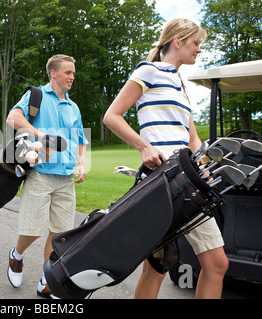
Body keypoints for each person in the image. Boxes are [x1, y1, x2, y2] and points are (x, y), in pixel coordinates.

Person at [103, 18, 229, 299]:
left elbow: (191, 137)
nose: (199, 50)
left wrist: (204, 167)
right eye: (195, 43)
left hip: (189, 182)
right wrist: (144, 146)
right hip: (161, 183)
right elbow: (112, 116)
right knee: (157, 269)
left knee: (217, 264)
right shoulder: (148, 71)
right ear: (178, 41)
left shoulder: (180, 85)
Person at [6, 54, 89, 298]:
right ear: (53, 73)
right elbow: (13, 118)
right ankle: (16, 255)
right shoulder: (37, 95)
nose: (72, 76)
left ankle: (47, 280)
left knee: (60, 235)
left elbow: (80, 139)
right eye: (68, 72)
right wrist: (38, 134)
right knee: (32, 229)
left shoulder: (73, 107)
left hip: (65, 178)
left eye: (73, 73)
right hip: (40, 173)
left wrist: (82, 163)